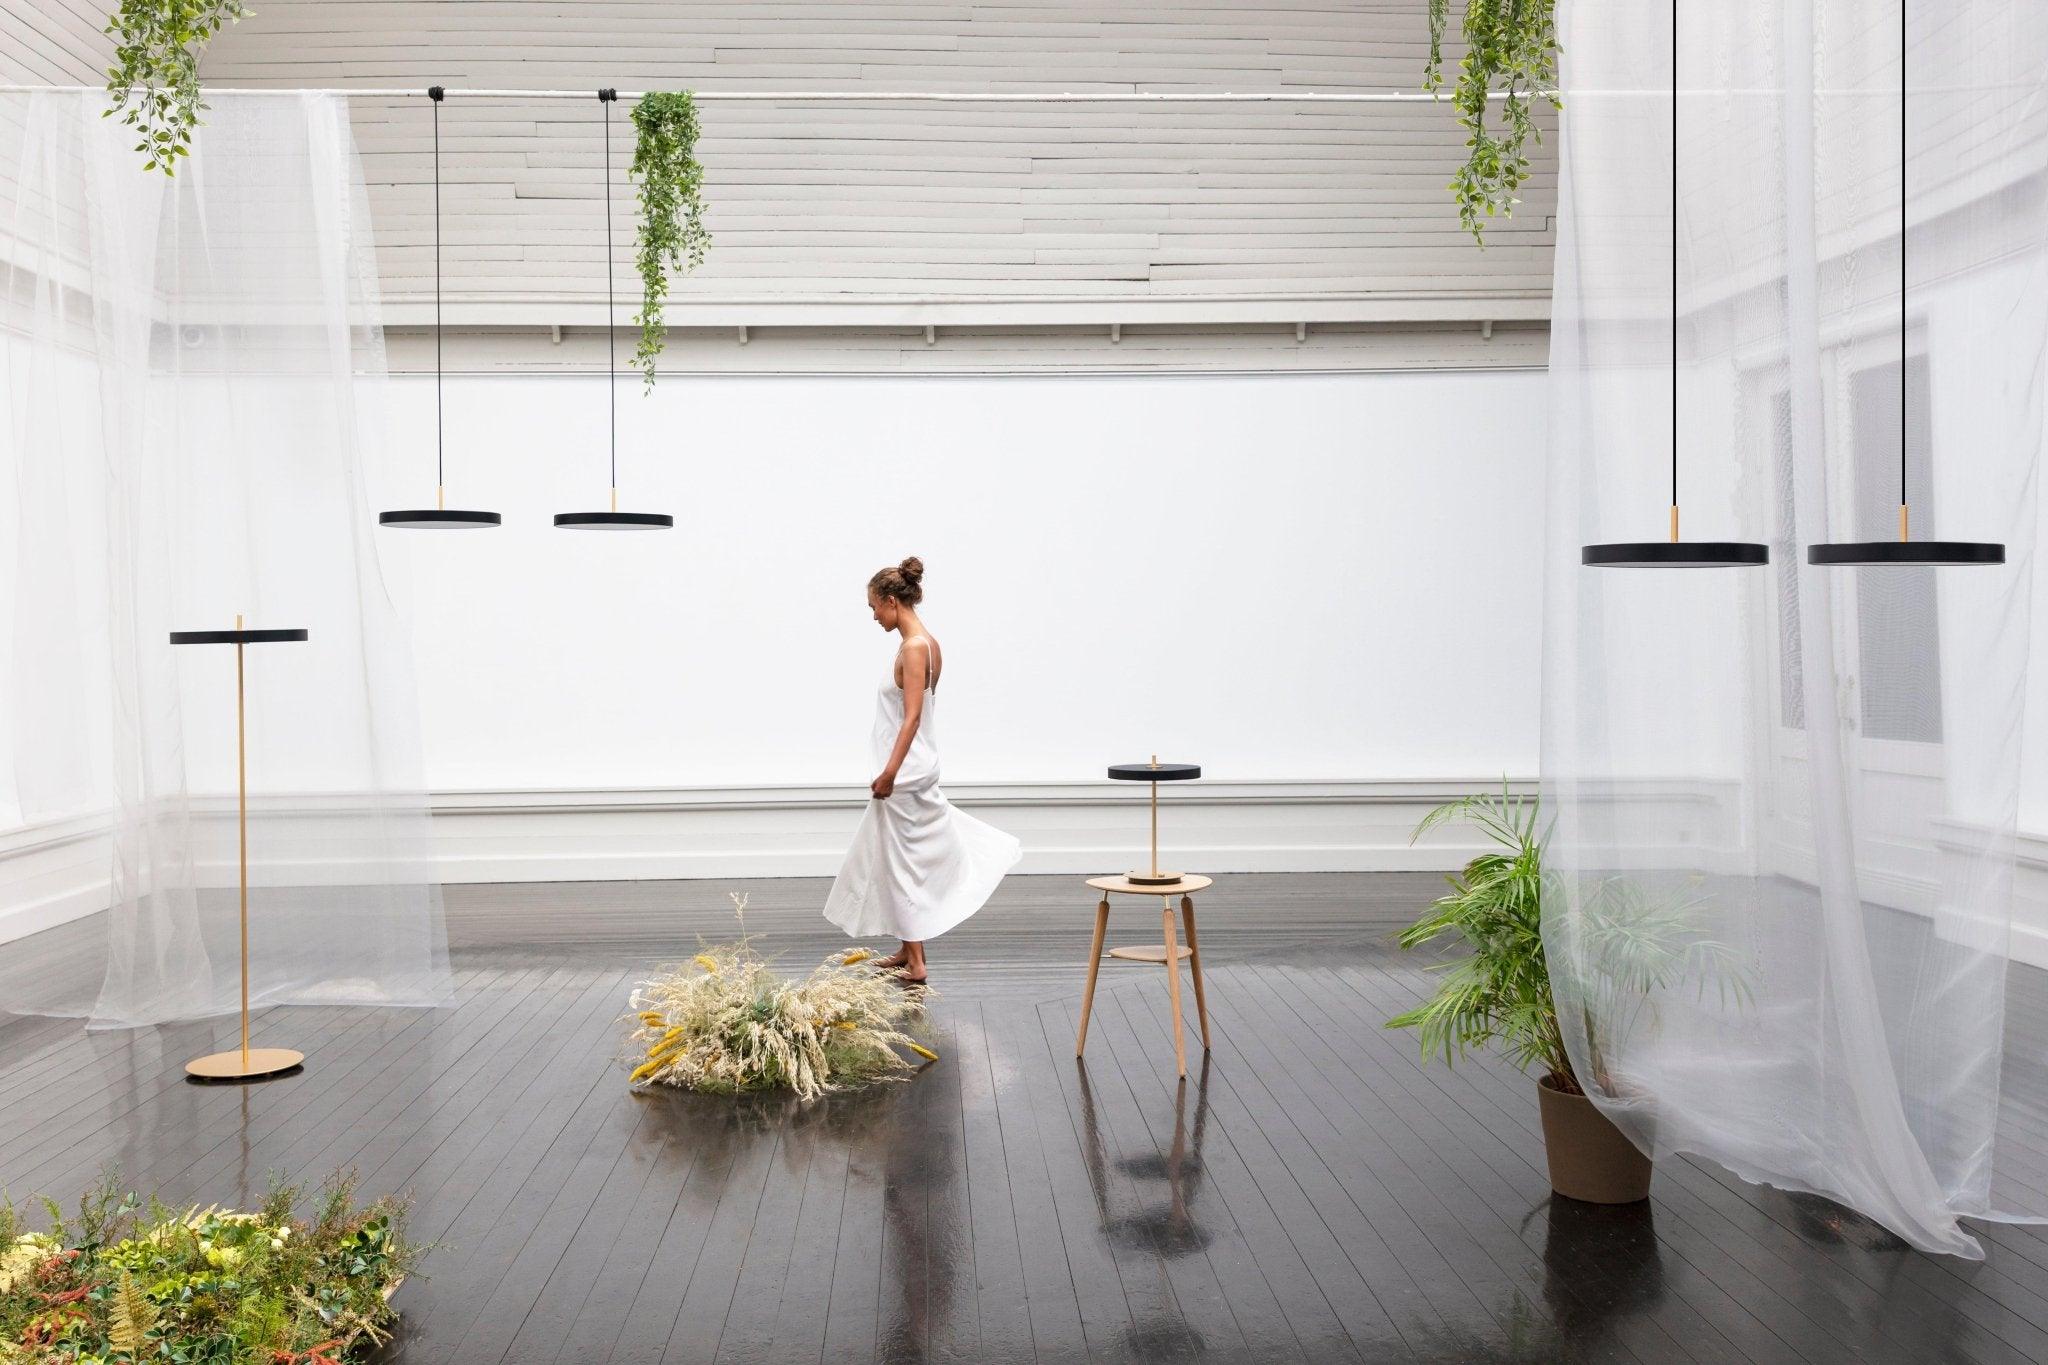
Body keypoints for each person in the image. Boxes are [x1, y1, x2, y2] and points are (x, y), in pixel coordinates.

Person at [823, 557, 1021, 985]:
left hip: (905, 774)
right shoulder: (928, 644)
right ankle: (908, 949)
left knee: (899, 866)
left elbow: (912, 717)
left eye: (874, 606)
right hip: (915, 768)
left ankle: (916, 963)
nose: (873, 616)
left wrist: (889, 773)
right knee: (898, 860)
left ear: (891, 601)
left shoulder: (914, 648)